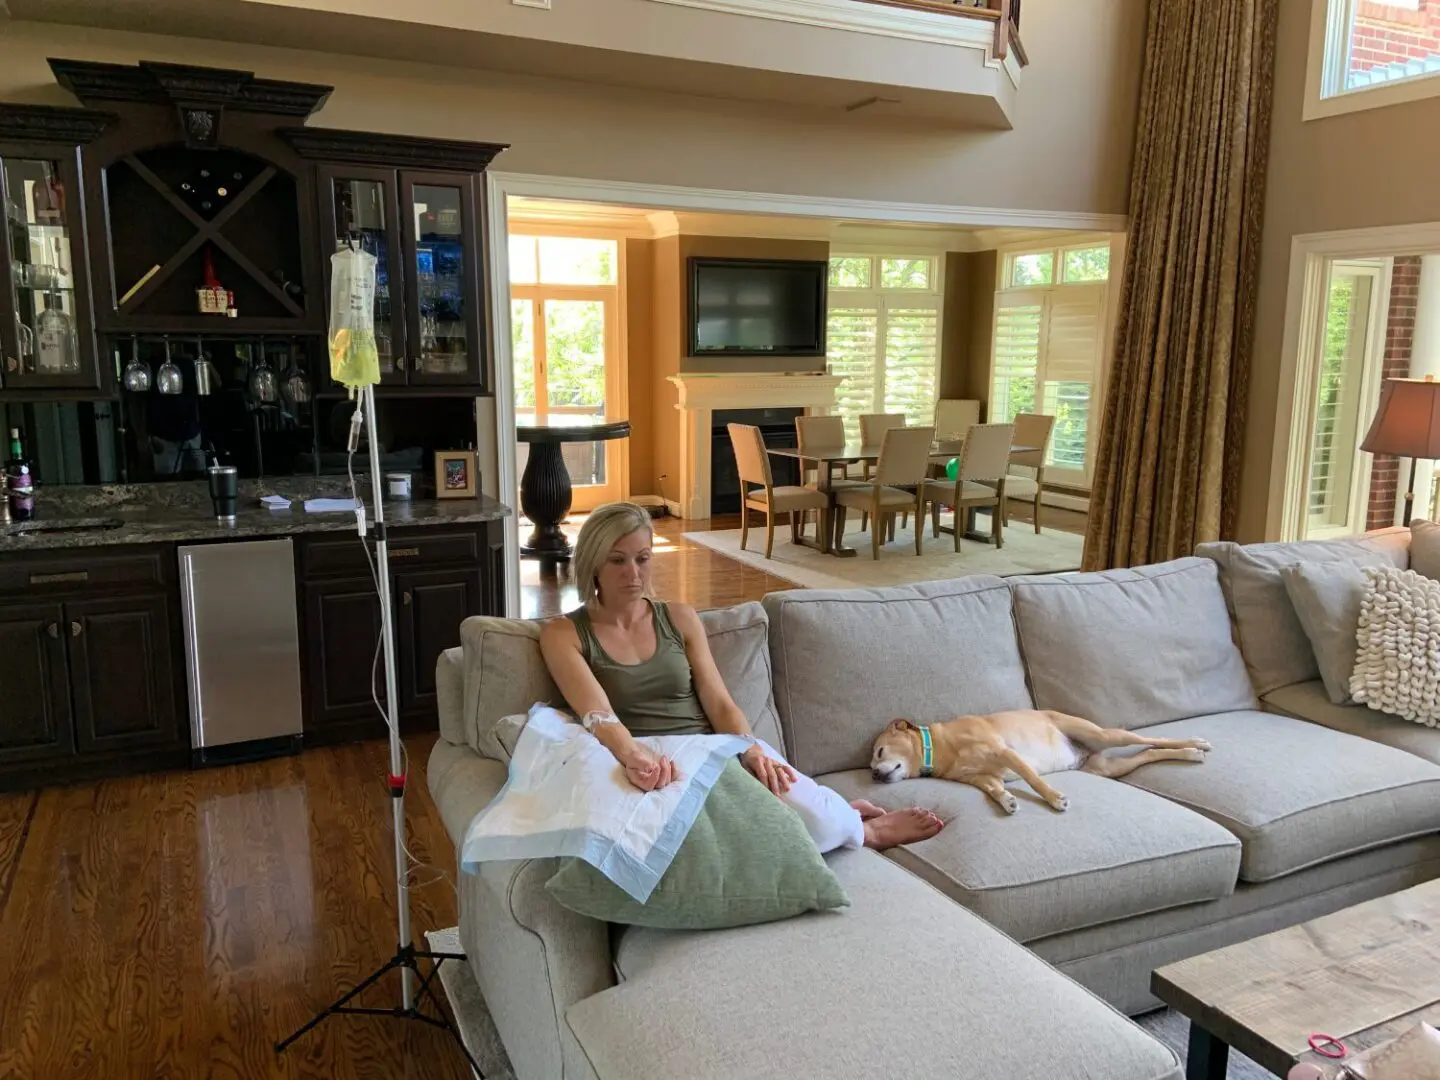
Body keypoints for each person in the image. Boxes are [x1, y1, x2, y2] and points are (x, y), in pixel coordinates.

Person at [539, 501, 945, 853]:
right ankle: (844, 817)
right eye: (618, 559)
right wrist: (636, 759)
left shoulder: (678, 618)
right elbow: (599, 715)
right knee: (710, 847)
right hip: (641, 762)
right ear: (593, 561)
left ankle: (862, 829)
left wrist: (750, 749)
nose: (633, 572)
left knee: (811, 821)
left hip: (710, 750)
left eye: (643, 558)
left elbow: (718, 701)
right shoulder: (563, 634)